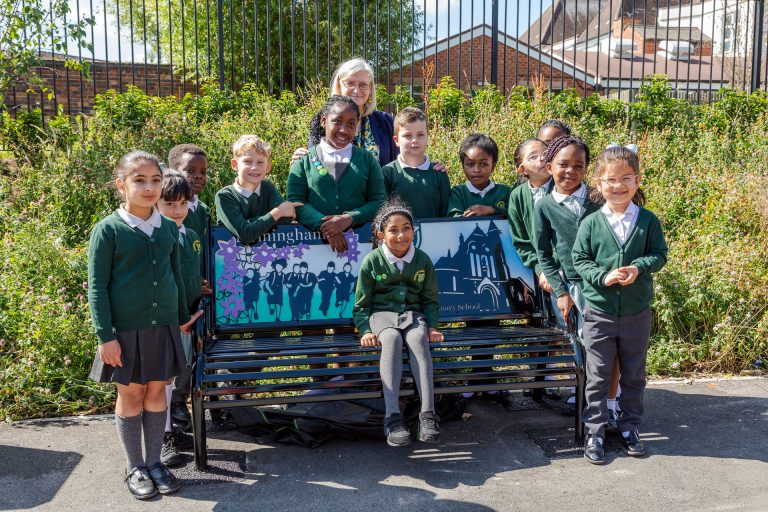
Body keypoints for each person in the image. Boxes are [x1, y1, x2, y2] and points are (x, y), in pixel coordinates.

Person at [87, 151, 196, 499]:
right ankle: (134, 467)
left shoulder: (168, 228)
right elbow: (97, 286)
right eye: (140, 180)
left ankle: (154, 463)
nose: (149, 187)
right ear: (122, 185)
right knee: (131, 393)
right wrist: (106, 336)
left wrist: (181, 320)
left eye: (155, 180)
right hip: (125, 332)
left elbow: (175, 276)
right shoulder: (108, 230)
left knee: (155, 392)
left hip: (163, 327)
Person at [572, 145, 668, 465]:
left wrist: (639, 267)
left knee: (634, 375)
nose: (618, 185)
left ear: (638, 181)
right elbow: (579, 260)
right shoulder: (590, 223)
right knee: (598, 376)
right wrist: (603, 277)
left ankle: (629, 428)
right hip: (598, 312)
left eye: (626, 178)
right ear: (599, 183)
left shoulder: (648, 221)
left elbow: (659, 255)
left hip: (636, 312)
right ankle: (595, 432)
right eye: (611, 179)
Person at [353, 198, 444, 447]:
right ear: (381, 234)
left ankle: (428, 415)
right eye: (393, 230)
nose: (401, 235)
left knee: (417, 338)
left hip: (413, 316)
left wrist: (432, 326)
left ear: (414, 231)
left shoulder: (423, 260)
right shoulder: (372, 261)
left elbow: (430, 299)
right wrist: (365, 330)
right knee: (391, 339)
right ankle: (393, 419)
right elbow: (362, 304)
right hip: (382, 317)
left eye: (406, 228)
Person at [533, 135, 602, 414]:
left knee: (602, 342)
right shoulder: (545, 207)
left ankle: (608, 398)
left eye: (578, 165)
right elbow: (544, 254)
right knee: (578, 341)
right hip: (571, 287)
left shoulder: (598, 201)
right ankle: (582, 392)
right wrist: (561, 292)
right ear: (549, 167)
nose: (570, 171)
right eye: (563, 164)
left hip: (599, 284)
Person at [155, 169, 209, 467]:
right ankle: (163, 438)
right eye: (169, 205)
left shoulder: (189, 234)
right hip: (169, 321)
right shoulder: (159, 237)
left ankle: (172, 429)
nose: (177, 211)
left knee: (177, 379)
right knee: (161, 383)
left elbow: (185, 272)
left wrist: (197, 285)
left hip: (188, 318)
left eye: (182, 204)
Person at [287, 95, 386, 252]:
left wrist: (349, 218)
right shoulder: (303, 161)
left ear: (358, 125)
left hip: (361, 246)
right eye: (337, 121)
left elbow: (379, 201)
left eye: (351, 124)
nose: (343, 130)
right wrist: (327, 228)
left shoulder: (368, 160)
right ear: (323, 120)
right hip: (313, 249)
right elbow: (296, 202)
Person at [215, 134, 302, 244]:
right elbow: (245, 234)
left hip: (267, 255)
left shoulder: (268, 188)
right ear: (235, 165)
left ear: (267, 167)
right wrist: (278, 212)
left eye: (260, 162)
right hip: (231, 258)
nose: (254, 167)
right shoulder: (225, 196)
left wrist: (249, 224)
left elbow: (285, 219)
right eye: (247, 161)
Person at [381, 107, 450, 219]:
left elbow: (446, 215)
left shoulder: (439, 173)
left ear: (428, 137)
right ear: (396, 140)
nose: (414, 140)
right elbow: (382, 214)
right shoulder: (387, 173)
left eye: (420, 135)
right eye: (408, 135)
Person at [448, 133, 511, 218]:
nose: (476, 170)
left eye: (483, 164)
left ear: (493, 166)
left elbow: (517, 214)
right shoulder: (458, 192)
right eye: (470, 164)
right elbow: (453, 218)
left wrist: (492, 210)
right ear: (463, 166)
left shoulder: (505, 192)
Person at [168, 144, 210, 242]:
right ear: (173, 171)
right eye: (190, 170)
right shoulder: (168, 209)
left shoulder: (204, 209)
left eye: (203, 172)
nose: (199, 176)